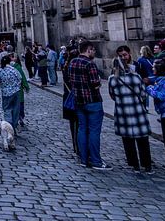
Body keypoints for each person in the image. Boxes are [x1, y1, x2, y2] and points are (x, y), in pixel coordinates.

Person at [67, 41, 111, 170]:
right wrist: (98, 84)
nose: (94, 52)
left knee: (82, 129)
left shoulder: (72, 62)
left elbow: (70, 80)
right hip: (92, 101)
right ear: (89, 50)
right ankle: (96, 161)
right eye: (93, 50)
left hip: (78, 101)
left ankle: (84, 159)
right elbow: (95, 84)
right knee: (94, 132)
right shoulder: (89, 64)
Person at [108, 56, 152, 173]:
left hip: (123, 112)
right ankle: (147, 165)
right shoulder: (136, 77)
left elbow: (112, 95)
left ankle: (134, 164)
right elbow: (143, 94)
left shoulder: (112, 79)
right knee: (143, 140)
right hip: (138, 111)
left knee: (128, 140)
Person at [0, 55, 23, 143]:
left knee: (7, 111)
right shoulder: (14, 69)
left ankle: (9, 130)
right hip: (16, 93)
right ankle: (13, 127)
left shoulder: (0, 70)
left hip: (6, 93)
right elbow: (20, 79)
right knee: (15, 111)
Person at [62, 48, 80, 155]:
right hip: (72, 99)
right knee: (75, 124)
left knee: (74, 124)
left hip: (69, 98)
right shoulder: (70, 69)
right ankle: (77, 147)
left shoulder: (67, 67)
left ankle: (77, 146)